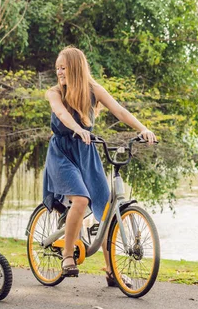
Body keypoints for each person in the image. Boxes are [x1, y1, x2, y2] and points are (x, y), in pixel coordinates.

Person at [43, 46, 156, 285]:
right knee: (81, 200)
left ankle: (111, 269)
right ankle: (67, 258)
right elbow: (62, 115)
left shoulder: (94, 90)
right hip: (62, 152)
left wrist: (143, 129)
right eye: (57, 68)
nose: (59, 72)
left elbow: (120, 111)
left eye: (63, 68)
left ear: (75, 67)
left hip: (86, 151)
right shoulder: (54, 93)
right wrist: (78, 129)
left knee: (105, 210)